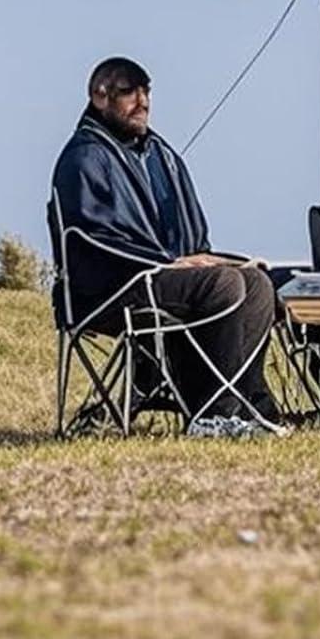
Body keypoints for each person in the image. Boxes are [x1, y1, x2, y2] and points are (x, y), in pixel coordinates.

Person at [51, 55, 283, 437]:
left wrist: (210, 260)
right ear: (99, 96)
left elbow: (193, 235)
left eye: (146, 91)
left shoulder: (163, 157)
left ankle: (249, 408)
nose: (142, 101)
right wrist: (167, 264)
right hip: (110, 289)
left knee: (256, 284)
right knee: (222, 285)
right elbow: (91, 238)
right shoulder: (83, 157)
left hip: (163, 279)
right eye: (129, 92)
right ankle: (212, 415)